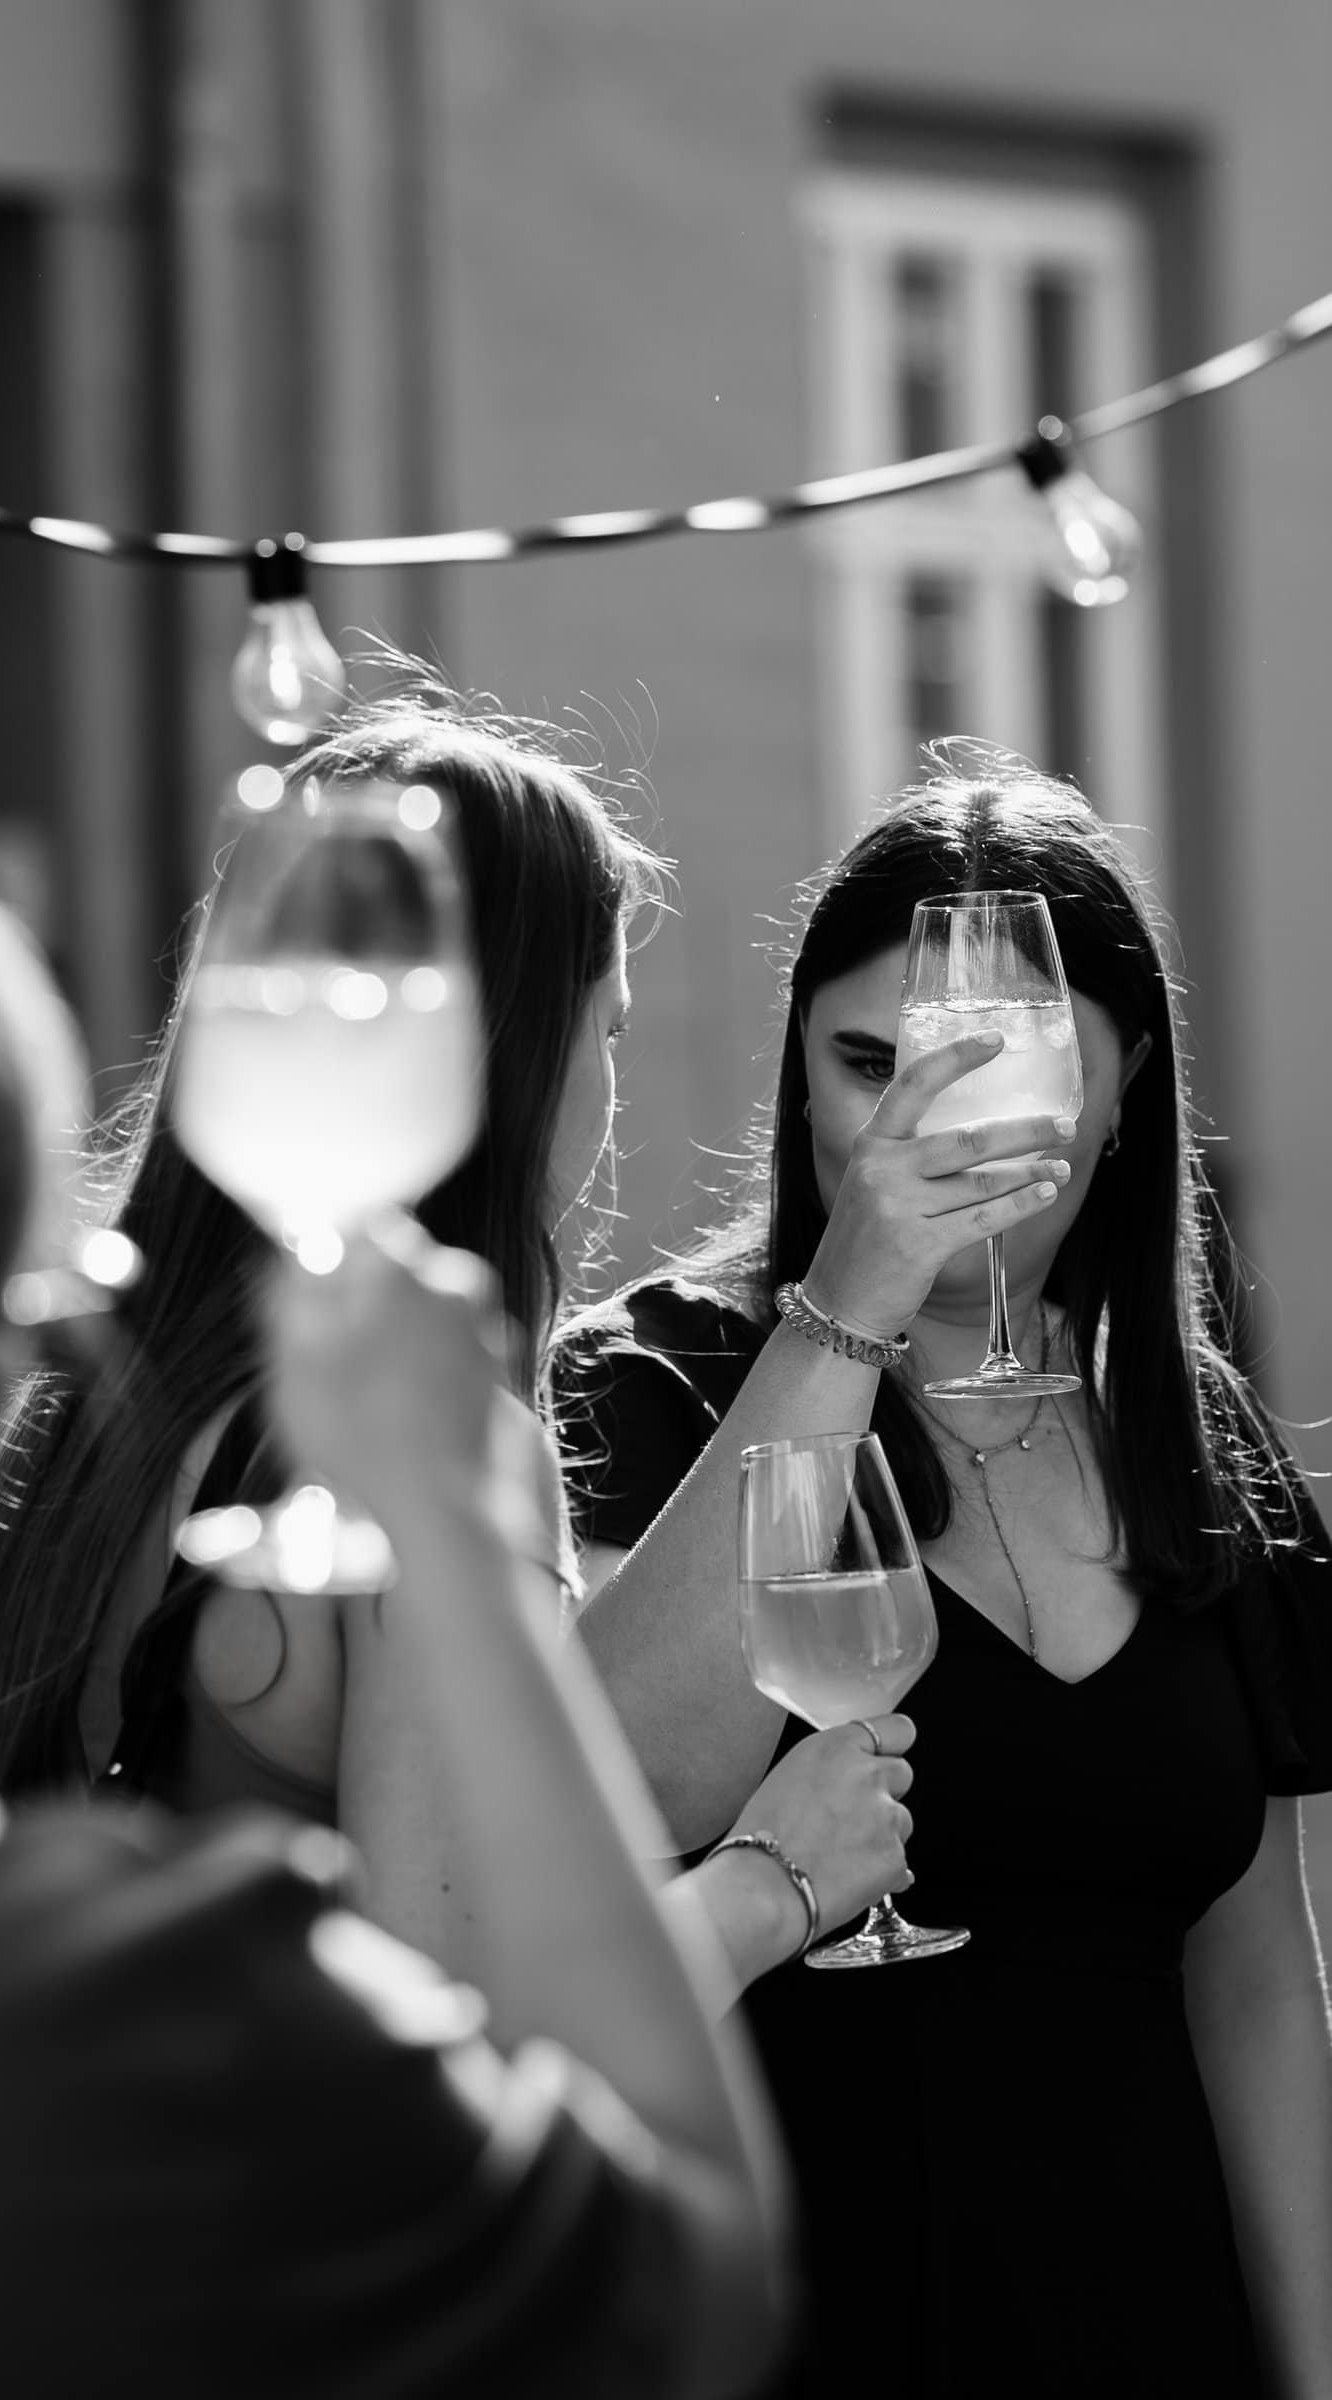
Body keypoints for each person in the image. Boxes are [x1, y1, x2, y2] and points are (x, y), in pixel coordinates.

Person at [0, 776, 798, 2397]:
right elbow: (681, 2274)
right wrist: (465, 1543)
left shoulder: (109, 1431)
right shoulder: (132, 1991)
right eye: (613, 1027)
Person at [0, 682, 915, 2000]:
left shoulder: (79, 1385)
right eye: (605, 1031)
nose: (610, 1094)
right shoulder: (422, 1440)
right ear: (518, 1045)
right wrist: (776, 1879)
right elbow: (463, 2021)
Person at [555, 745, 1332, 2399]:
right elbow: (611, 1784)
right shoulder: (656, 1381)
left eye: (1005, 1066)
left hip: (1148, 2322)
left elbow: (1255, 1975)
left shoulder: (1188, 1431)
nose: (923, 1121)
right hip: (791, 2323)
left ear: (1124, 1095)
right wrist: (853, 1302)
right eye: (865, 1063)